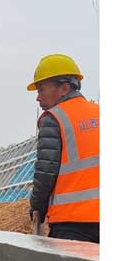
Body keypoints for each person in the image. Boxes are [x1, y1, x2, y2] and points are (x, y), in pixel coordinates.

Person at [27, 54, 100, 243]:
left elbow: (45, 172)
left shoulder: (54, 118)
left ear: (65, 88)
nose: (38, 97)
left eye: (42, 89)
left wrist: (37, 206)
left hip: (73, 222)